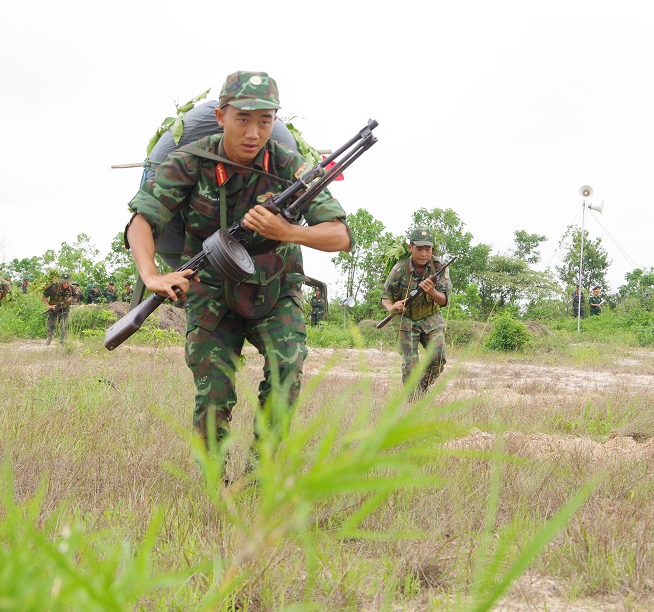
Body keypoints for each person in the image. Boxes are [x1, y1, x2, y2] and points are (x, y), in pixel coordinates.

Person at [125, 70, 352, 473]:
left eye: (265, 121)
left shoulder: (289, 164)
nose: (254, 132)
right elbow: (142, 222)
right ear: (220, 116)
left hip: (275, 288)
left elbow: (339, 235)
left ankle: (260, 473)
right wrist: (151, 276)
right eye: (243, 119)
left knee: (287, 368)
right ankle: (212, 480)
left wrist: (287, 231)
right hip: (210, 289)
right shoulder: (190, 162)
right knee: (213, 390)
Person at [381, 227, 452, 400]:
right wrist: (392, 307)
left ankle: (421, 389)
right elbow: (385, 297)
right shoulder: (399, 269)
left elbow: (443, 300)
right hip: (405, 319)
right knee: (411, 364)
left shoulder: (439, 267)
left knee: (438, 358)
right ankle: (413, 399)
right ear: (410, 247)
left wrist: (432, 292)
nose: (423, 254)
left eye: (427, 249)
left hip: (431, 317)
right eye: (419, 249)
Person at [42, 272, 79, 345]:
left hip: (65, 308)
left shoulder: (73, 289)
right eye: (64, 282)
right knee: (51, 324)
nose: (65, 284)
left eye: (67, 282)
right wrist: (48, 306)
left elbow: (76, 298)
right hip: (54, 308)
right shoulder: (54, 288)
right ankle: (49, 337)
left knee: (64, 325)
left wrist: (71, 300)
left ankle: (62, 342)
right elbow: (44, 296)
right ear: (61, 281)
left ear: (70, 281)